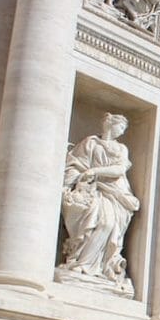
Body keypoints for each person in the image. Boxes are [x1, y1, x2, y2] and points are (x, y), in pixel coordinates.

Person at [61, 113, 140, 289]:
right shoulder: (91, 142)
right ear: (111, 125)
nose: (122, 131)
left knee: (108, 224)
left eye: (124, 129)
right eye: (120, 127)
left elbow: (120, 169)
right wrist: (79, 179)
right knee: (95, 222)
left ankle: (96, 266)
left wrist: (95, 171)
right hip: (92, 189)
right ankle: (82, 263)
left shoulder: (121, 149)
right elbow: (76, 163)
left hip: (115, 191)